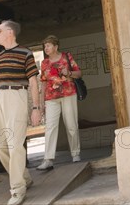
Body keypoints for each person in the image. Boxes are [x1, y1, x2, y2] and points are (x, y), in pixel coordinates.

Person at [0, 20, 42, 205]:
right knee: (0, 145)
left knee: (15, 145)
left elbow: (33, 82)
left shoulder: (25, 53)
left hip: (16, 96)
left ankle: (18, 190)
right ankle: (25, 177)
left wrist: (36, 107)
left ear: (9, 32)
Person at [36, 35, 82, 170]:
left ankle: (75, 154)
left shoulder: (66, 57)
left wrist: (69, 73)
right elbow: (43, 82)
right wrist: (41, 103)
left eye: (48, 46)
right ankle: (48, 159)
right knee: (50, 127)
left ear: (56, 47)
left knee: (71, 125)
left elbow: (79, 73)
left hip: (68, 94)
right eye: (45, 46)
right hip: (51, 98)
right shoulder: (44, 63)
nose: (46, 48)